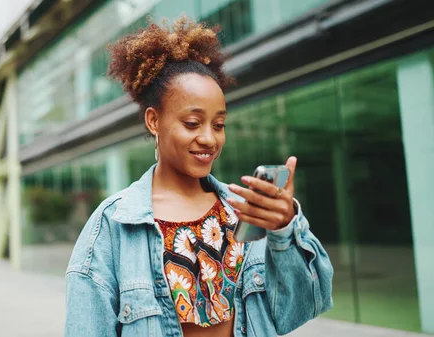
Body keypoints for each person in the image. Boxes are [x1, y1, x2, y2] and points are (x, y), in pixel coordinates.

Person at [64, 17, 333, 337]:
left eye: (218, 125)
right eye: (192, 123)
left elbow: (300, 307)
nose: (209, 139)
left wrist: (285, 229)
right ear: (154, 121)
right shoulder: (113, 226)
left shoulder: (243, 213)